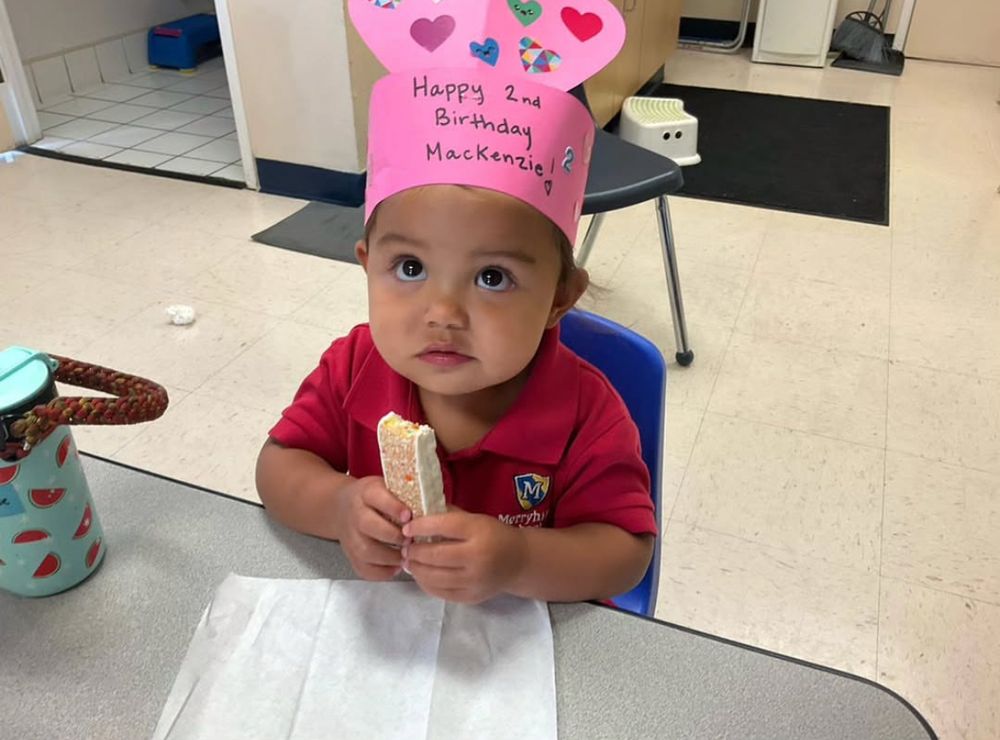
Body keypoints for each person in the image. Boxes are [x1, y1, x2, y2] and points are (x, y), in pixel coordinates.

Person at [257, 0, 656, 605]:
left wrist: (519, 559)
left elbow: (625, 553)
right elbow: (277, 469)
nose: (442, 312)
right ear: (367, 265)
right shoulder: (353, 366)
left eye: (493, 277)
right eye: (410, 268)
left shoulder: (585, 411)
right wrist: (337, 505)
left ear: (559, 298)